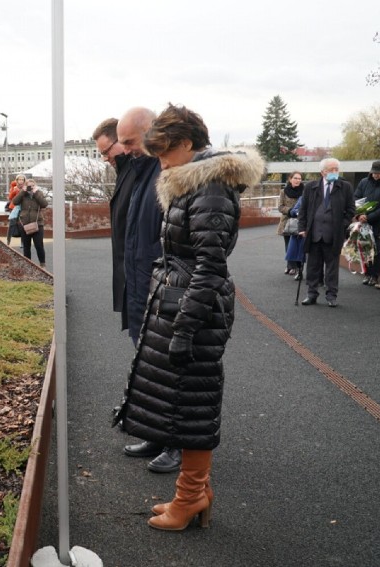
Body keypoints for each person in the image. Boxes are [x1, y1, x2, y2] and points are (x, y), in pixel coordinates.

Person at [117, 103, 263, 531]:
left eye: (164, 153)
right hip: (183, 305)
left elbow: (210, 266)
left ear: (186, 144)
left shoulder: (211, 187)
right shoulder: (193, 182)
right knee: (183, 404)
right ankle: (193, 494)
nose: (160, 162)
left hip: (194, 312)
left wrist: (184, 327)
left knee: (192, 407)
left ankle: (190, 498)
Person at [113, 108, 179, 474]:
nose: (124, 149)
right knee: (149, 369)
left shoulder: (169, 174)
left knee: (171, 371)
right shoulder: (142, 171)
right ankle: (157, 432)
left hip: (163, 292)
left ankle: (177, 442)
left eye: (129, 142)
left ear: (151, 133)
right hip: (142, 289)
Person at [298, 158, 355, 308]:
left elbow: (350, 210)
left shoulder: (345, 187)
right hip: (314, 232)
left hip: (333, 234)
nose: (335, 172)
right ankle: (311, 293)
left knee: (332, 267)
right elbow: (303, 210)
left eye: (336, 169)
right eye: (331, 170)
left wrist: (341, 226)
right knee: (312, 266)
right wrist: (302, 228)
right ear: (322, 172)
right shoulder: (311, 187)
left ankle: (331, 295)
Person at [92, 118, 131, 329]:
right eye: (102, 154)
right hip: (131, 277)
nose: (106, 158)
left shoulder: (137, 172)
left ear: (121, 140)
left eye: (107, 151)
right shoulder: (124, 173)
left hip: (139, 279)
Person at [354, 161, 380, 287]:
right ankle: (367, 273)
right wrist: (359, 215)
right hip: (363, 221)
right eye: (373, 172)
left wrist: (369, 217)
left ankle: (375, 275)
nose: (375, 175)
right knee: (365, 247)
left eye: (378, 173)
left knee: (377, 249)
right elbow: (356, 198)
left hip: (379, 222)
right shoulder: (364, 182)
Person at [12, 178, 48, 267]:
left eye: (32, 186)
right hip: (24, 223)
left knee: (39, 245)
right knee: (26, 246)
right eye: (29, 186)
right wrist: (22, 192)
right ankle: (28, 265)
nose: (30, 188)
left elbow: (44, 204)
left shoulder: (38, 193)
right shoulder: (23, 194)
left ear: (35, 186)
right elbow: (15, 202)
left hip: (37, 223)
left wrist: (35, 193)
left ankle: (42, 264)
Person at [277, 172, 304, 276]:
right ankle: (290, 266)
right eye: (295, 178)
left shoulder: (305, 191)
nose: (298, 180)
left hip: (300, 221)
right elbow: (280, 207)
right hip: (287, 222)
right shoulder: (284, 191)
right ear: (290, 179)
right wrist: (290, 210)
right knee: (288, 245)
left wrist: (299, 211)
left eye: (299, 178)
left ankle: (298, 268)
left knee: (299, 246)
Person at [6, 177, 24, 246]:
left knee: (22, 225)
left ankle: (22, 242)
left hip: (23, 208)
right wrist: (15, 191)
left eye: (22, 179)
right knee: (11, 224)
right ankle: (8, 241)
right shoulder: (14, 187)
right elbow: (10, 197)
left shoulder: (26, 187)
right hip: (14, 208)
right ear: (17, 180)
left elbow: (30, 195)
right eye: (20, 179)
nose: (21, 181)